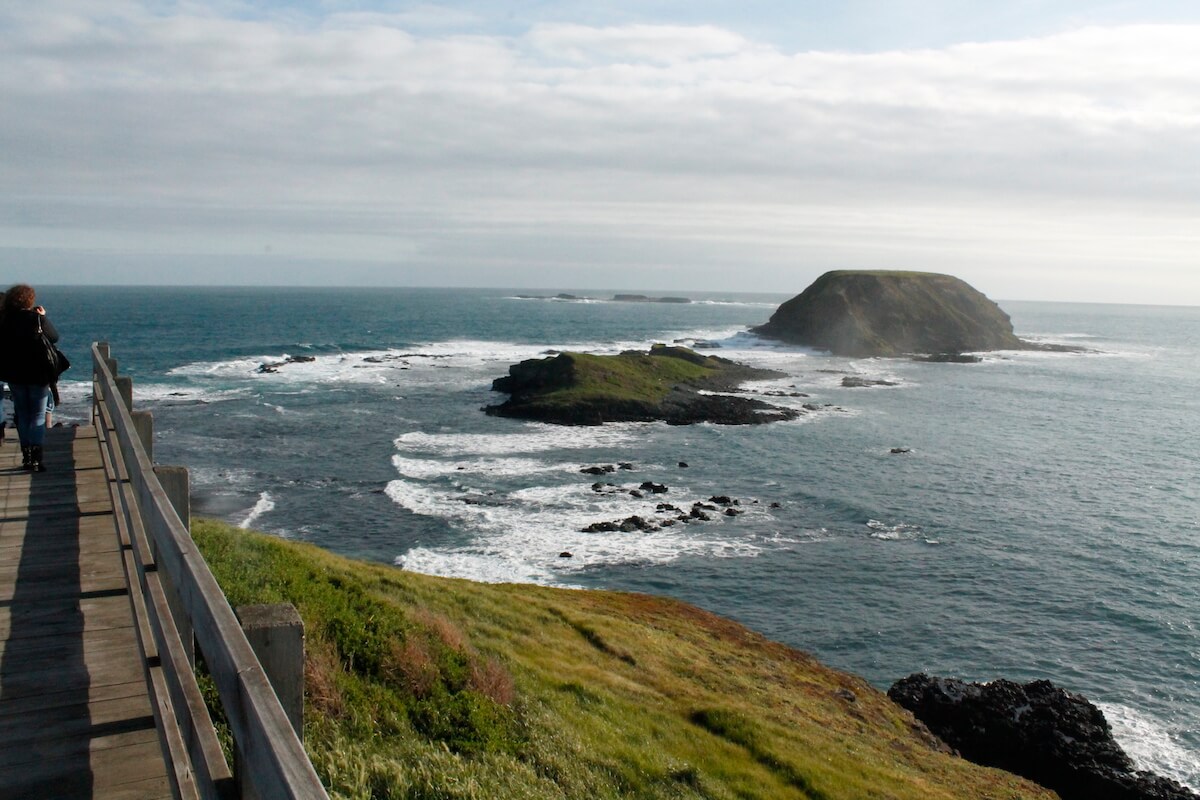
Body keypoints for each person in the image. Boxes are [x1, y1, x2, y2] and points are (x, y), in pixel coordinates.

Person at [0, 284, 60, 472]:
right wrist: (42, 317)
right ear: (29, 300)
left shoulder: (5, 320)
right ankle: (36, 458)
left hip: (14, 374)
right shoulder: (36, 319)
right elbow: (54, 337)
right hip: (37, 374)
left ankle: (26, 456)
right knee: (37, 415)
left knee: (23, 415)